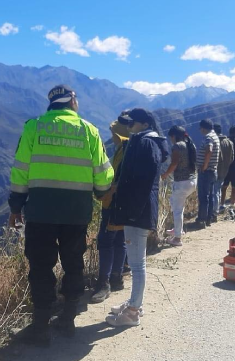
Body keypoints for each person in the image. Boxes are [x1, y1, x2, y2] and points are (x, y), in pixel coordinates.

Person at [8, 85, 113, 345]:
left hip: (41, 211)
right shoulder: (89, 130)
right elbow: (103, 173)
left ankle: (41, 326)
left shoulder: (34, 127)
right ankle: (67, 319)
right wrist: (102, 192)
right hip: (76, 211)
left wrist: (15, 207)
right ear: (73, 102)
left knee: (41, 265)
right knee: (73, 262)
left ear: (51, 103)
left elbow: (21, 170)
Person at [108, 108, 168, 327]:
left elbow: (143, 182)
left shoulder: (146, 143)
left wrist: (131, 211)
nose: (129, 126)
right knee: (136, 261)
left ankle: (133, 311)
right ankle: (134, 302)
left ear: (143, 124)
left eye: (131, 123)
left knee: (137, 264)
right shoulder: (145, 140)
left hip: (137, 211)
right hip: (137, 210)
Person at [90, 116, 131, 304]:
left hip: (112, 203)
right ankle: (116, 276)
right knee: (120, 240)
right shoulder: (129, 150)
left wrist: (105, 191)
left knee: (106, 241)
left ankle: (103, 282)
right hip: (123, 204)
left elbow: (117, 181)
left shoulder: (123, 152)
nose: (112, 136)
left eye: (114, 133)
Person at [161, 126, 197, 246]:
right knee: (176, 204)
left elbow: (174, 163)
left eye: (171, 137)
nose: (171, 139)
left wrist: (165, 174)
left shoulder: (177, 146)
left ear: (174, 136)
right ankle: (177, 229)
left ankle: (177, 238)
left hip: (182, 182)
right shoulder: (189, 144)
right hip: (192, 180)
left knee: (177, 210)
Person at [194, 119, 220, 228]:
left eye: (200, 128)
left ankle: (201, 220)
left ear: (203, 128)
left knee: (203, 196)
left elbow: (209, 150)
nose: (200, 130)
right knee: (210, 196)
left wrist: (204, 166)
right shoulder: (215, 136)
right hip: (213, 170)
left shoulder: (208, 137)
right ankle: (209, 218)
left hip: (206, 171)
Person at [213, 124, 234, 217]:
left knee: (215, 191)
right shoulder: (229, 142)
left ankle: (214, 210)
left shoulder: (214, 141)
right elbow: (232, 158)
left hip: (214, 169)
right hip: (225, 170)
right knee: (219, 188)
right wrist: (226, 165)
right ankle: (218, 206)